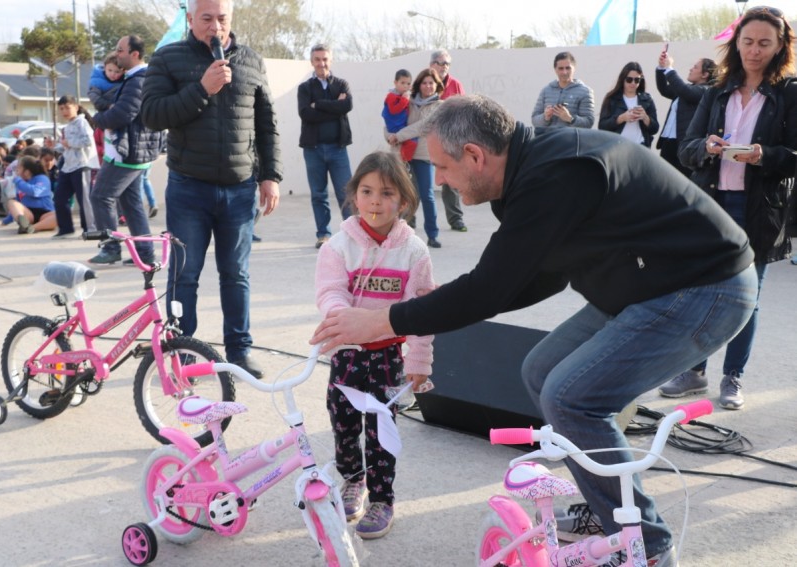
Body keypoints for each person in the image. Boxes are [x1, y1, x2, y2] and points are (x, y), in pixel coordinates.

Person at [311, 94, 759, 567]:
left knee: (571, 397)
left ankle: (645, 548)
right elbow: (537, 277)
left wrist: (386, 318)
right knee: (541, 370)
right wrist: (433, 306)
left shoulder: (555, 174)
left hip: (704, 289)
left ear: (475, 156)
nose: (438, 180)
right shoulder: (528, 174)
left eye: (442, 168)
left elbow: (489, 288)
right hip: (647, 285)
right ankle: (607, 508)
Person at [664, 6, 796, 410]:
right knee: (703, 291)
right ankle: (694, 370)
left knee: (745, 298)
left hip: (758, 207)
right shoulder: (716, 91)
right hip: (712, 203)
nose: (754, 51)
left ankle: (732, 377)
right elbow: (686, 149)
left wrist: (763, 156)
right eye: (748, 42)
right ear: (736, 44)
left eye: (764, 43)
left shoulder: (789, 93)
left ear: (779, 47)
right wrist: (705, 147)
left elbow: (793, 156)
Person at [142, 0, 282, 379]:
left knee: (236, 274)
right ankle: (181, 353)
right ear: (190, 19)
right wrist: (202, 88)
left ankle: (239, 352)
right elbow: (152, 115)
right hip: (189, 188)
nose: (215, 26)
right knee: (184, 276)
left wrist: (270, 176)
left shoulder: (251, 60)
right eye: (206, 19)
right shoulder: (168, 59)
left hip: (239, 191)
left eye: (222, 18)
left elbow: (266, 123)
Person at [315, 151, 434, 540]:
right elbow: (330, 292)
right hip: (346, 352)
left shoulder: (414, 252)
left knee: (382, 431)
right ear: (354, 196)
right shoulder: (337, 246)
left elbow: (421, 311)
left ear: (403, 200)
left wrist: (419, 360)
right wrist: (341, 319)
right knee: (343, 422)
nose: (375, 202)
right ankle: (353, 480)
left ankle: (383, 499)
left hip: (386, 357)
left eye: (386, 193)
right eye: (366, 191)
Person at [89, 34, 164, 266]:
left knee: (101, 196)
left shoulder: (138, 79)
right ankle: (144, 253)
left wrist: (98, 118)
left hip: (128, 152)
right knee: (131, 204)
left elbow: (123, 114)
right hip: (133, 150)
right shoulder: (137, 78)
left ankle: (110, 248)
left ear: (134, 54)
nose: (117, 53)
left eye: (121, 50)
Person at [298, 43, 353, 249]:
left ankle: (352, 234)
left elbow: (347, 106)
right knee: (319, 194)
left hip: (338, 149)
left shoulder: (341, 84)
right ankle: (324, 235)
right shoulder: (304, 88)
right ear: (312, 62)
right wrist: (334, 107)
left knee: (346, 193)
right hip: (313, 150)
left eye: (325, 59)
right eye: (317, 60)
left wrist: (319, 104)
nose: (322, 63)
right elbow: (305, 114)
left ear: (331, 60)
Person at [386, 68, 443, 248]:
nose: (427, 86)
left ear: (436, 85)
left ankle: (432, 234)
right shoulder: (406, 100)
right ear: (419, 84)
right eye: (424, 82)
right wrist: (389, 135)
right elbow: (391, 120)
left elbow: (423, 126)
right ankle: (403, 231)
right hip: (402, 153)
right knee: (404, 194)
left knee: (427, 195)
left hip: (424, 155)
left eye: (431, 83)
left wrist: (398, 135)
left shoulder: (439, 106)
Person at [655, 51, 716, 177]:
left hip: (683, 145)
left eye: (695, 67)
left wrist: (669, 69)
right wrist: (661, 68)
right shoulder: (686, 89)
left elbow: (686, 91)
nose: (691, 69)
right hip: (668, 143)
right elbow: (664, 89)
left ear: (705, 74)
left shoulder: (705, 91)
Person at [429, 49, 468, 232]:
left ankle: (456, 219)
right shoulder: (424, 83)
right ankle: (408, 220)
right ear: (432, 65)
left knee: (450, 181)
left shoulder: (455, 84)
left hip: (449, 139)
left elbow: (464, 110)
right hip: (426, 139)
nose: (444, 66)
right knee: (417, 182)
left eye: (447, 63)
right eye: (441, 62)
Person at [53, 95, 98, 238]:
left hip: (83, 164)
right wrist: (56, 146)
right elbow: (66, 146)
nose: (64, 111)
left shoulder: (82, 122)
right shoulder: (68, 126)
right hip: (68, 166)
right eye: (61, 108)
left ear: (76, 107)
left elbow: (88, 141)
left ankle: (90, 229)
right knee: (59, 198)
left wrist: (69, 143)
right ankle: (66, 228)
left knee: (84, 199)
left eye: (67, 107)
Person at [598, 61, 659, 147]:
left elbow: (655, 129)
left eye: (637, 80)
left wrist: (645, 118)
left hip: (640, 147)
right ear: (623, 79)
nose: (633, 83)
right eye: (629, 80)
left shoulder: (647, 99)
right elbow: (602, 126)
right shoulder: (612, 99)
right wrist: (621, 118)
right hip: (617, 147)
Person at [531, 51, 596, 130]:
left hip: (572, 140)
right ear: (555, 69)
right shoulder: (546, 90)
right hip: (548, 139)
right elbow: (534, 120)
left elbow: (589, 122)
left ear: (574, 68)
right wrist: (545, 117)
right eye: (561, 68)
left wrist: (570, 119)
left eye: (568, 68)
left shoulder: (585, 92)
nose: (564, 72)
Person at [6, 155, 56, 234]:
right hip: (29, 214)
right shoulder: (21, 183)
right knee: (11, 202)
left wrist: (18, 181)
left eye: (18, 169)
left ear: (27, 171)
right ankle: (24, 224)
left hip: (45, 213)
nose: (17, 171)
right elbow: (18, 202)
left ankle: (32, 228)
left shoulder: (42, 178)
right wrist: (8, 219)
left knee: (59, 215)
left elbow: (35, 192)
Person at [381, 69, 417, 163]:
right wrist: (405, 99)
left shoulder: (403, 95)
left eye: (408, 84)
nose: (405, 86)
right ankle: (403, 160)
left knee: (410, 141)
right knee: (412, 141)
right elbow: (394, 110)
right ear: (395, 83)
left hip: (400, 125)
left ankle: (403, 159)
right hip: (395, 126)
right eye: (402, 83)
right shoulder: (391, 96)